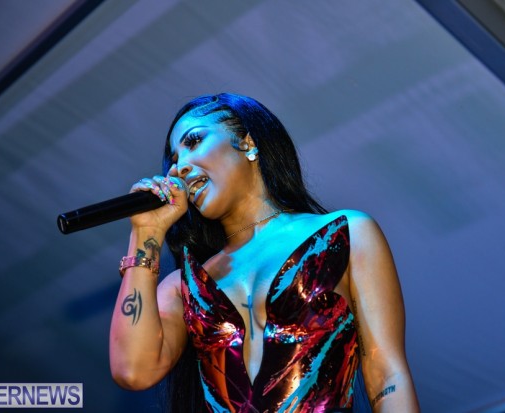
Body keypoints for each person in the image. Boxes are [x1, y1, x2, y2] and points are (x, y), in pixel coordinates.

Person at [109, 93, 420, 412]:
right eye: (174, 160)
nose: (179, 169)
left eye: (194, 141)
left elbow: (386, 375)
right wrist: (145, 233)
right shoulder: (185, 287)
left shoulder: (345, 234)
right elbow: (133, 371)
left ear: (247, 142)